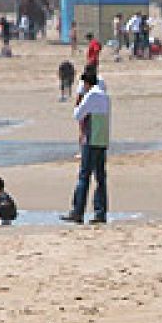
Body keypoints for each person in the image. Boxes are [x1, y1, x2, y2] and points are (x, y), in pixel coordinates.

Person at [64, 69, 110, 224]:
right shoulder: (105, 95)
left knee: (84, 176)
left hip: (91, 139)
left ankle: (78, 211)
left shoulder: (91, 95)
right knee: (100, 178)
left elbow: (77, 114)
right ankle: (100, 212)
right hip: (102, 139)